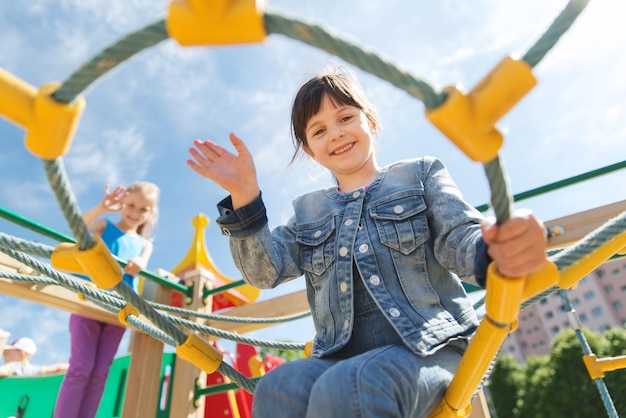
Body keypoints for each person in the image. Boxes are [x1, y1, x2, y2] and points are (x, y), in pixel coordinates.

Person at [187, 68, 548, 418]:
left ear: (371, 121)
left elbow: (458, 237)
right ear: (310, 149)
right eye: (319, 130)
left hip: (429, 345)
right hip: (339, 356)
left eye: (345, 118)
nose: (335, 134)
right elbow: (265, 271)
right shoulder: (310, 212)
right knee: (277, 388)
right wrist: (244, 196)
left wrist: (495, 249)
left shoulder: (419, 175)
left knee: (352, 385)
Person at [53, 181, 160, 418]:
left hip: (119, 309)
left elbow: (143, 260)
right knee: (81, 368)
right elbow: (77, 227)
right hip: (90, 300)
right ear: (121, 204)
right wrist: (102, 207)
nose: (135, 213)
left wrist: (140, 263)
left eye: (143, 209)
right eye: (130, 205)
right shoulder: (105, 226)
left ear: (150, 214)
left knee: (101, 372)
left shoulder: (145, 244)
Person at [0, 337, 69, 377]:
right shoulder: (34, 370)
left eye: (7, 352)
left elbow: (1, 372)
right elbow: (57, 368)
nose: (4, 355)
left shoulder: (12, 366)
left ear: (22, 353)